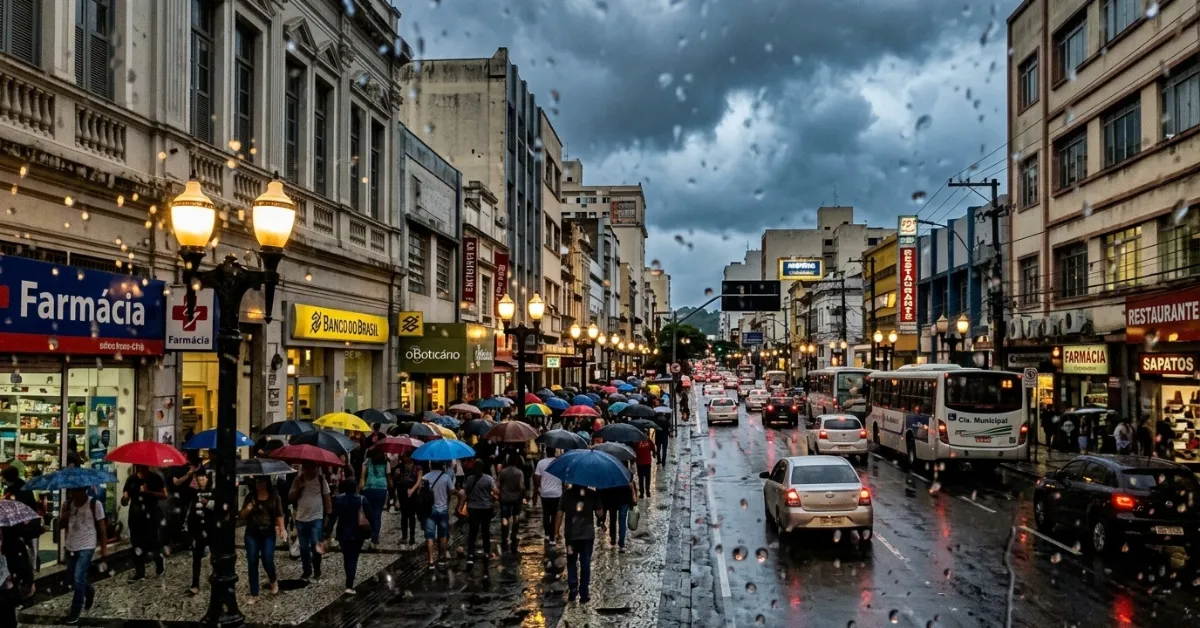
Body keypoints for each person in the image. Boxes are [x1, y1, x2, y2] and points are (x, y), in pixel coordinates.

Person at [60, 487, 107, 624]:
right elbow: (61, 525)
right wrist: (64, 516)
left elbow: (102, 528)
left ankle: (75, 612)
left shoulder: (95, 504)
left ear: (84, 490)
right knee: (73, 578)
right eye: (72, 491)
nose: (73, 494)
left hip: (87, 545)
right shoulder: (68, 505)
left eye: (76, 491)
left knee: (78, 577)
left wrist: (104, 549)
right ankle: (89, 590)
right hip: (71, 545)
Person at [238, 476, 285, 604]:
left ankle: (273, 579)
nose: (259, 484)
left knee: (267, 558)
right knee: (252, 561)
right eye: (257, 482)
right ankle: (254, 594)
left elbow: (279, 514)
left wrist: (282, 529)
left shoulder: (274, 496)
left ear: (267, 482)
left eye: (262, 481)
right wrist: (247, 509)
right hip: (252, 534)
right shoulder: (250, 496)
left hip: (268, 533)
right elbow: (241, 516)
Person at [555, 485, 604, 603]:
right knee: (585, 563)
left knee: (571, 561)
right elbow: (600, 514)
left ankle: (572, 589)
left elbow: (559, 514)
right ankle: (584, 593)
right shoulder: (592, 494)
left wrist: (556, 532)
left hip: (571, 536)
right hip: (587, 536)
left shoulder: (566, 495)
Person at [121, 465, 166, 581]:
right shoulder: (131, 479)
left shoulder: (155, 478)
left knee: (153, 544)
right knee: (136, 545)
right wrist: (125, 499)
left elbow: (164, 495)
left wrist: (149, 492)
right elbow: (125, 499)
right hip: (136, 518)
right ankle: (140, 573)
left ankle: (159, 563)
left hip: (150, 517)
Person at [289, 462, 332, 581]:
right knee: (303, 547)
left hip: (316, 518)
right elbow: (291, 497)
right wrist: (299, 488)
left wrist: (329, 514)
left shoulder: (321, 479)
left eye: (313, 467)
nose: (310, 469)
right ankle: (306, 571)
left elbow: (327, 496)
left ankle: (317, 570)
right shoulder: (298, 479)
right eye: (307, 466)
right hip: (301, 518)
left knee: (315, 545)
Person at [326, 479, 370, 595]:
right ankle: (349, 585)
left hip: (343, 533)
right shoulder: (362, 499)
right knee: (353, 558)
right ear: (355, 487)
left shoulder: (338, 500)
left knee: (347, 556)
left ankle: (349, 580)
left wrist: (327, 533)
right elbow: (371, 516)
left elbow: (332, 518)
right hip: (358, 533)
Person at [420, 462, 461, 569]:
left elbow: (420, 492)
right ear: (442, 466)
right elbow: (452, 491)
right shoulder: (446, 477)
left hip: (429, 510)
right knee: (442, 535)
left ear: (431, 466)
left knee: (430, 536)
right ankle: (441, 557)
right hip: (443, 509)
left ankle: (431, 561)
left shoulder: (425, 477)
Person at [463, 463, 497, 565]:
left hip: (473, 508)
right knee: (485, 531)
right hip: (486, 508)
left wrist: (460, 507)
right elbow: (495, 491)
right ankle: (486, 552)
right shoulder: (489, 479)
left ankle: (470, 554)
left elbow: (466, 492)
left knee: (472, 532)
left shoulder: (469, 479)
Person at [186, 471, 215, 595]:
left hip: (211, 528)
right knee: (196, 557)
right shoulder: (193, 493)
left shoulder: (213, 492)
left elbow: (217, 507)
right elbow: (190, 509)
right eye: (199, 478)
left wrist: (207, 503)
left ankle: (215, 576)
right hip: (197, 528)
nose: (202, 479)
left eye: (204, 477)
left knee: (214, 556)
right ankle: (195, 584)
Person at [359, 448, 391, 550]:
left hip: (369, 488)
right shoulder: (386, 462)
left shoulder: (367, 462)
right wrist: (392, 489)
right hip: (381, 489)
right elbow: (389, 477)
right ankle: (375, 538)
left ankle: (372, 532)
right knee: (377, 514)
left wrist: (361, 488)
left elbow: (362, 477)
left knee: (369, 513)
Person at [533, 449, 563, 545]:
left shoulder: (541, 463)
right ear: (554, 452)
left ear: (546, 452)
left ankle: (546, 534)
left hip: (545, 493)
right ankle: (552, 537)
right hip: (557, 493)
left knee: (546, 513)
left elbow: (536, 478)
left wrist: (539, 487)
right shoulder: (559, 462)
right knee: (554, 515)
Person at [599, 475, 637, 552]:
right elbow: (630, 487)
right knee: (622, 523)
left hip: (613, 501)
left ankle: (613, 539)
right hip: (624, 501)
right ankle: (621, 545)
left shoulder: (610, 474)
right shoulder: (626, 474)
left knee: (613, 520)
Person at [496, 454, 525, 554]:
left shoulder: (503, 472)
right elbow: (521, 487)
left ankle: (505, 536)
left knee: (505, 517)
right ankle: (514, 535)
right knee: (516, 516)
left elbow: (498, 485)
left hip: (504, 498)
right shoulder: (519, 472)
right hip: (516, 498)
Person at [395, 457, 423, 546]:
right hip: (402, 492)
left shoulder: (418, 467)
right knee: (403, 515)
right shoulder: (400, 466)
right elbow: (397, 479)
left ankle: (412, 537)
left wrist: (412, 490)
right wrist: (397, 473)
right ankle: (404, 537)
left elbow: (419, 481)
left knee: (411, 516)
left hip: (412, 494)